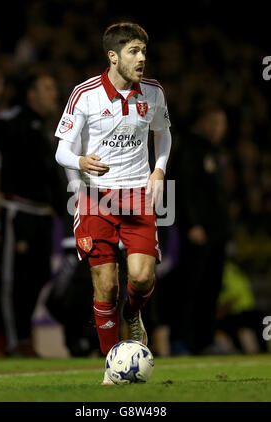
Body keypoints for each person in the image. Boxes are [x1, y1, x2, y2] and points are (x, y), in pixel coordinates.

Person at [55, 22, 171, 383]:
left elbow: (164, 135)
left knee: (140, 278)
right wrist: (80, 162)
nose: (142, 59)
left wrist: (159, 171)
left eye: (144, 51)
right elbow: (61, 149)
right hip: (95, 199)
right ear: (113, 56)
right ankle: (112, 365)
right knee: (106, 285)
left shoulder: (152, 92)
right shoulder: (85, 94)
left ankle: (133, 315)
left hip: (138, 195)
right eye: (134, 52)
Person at [0, 73, 67, 356]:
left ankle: (23, 336)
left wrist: (63, 209)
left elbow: (52, 175)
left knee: (39, 275)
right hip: (19, 213)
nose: (53, 94)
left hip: (43, 215)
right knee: (14, 280)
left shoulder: (46, 129)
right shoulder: (16, 122)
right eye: (47, 87)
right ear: (31, 94)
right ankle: (14, 342)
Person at [168, 104, 231, 355]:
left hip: (217, 231)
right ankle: (181, 339)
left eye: (222, 124)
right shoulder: (188, 149)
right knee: (190, 287)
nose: (218, 129)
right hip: (196, 232)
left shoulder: (216, 152)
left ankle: (205, 340)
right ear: (202, 122)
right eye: (214, 123)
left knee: (211, 287)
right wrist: (192, 224)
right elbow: (183, 189)